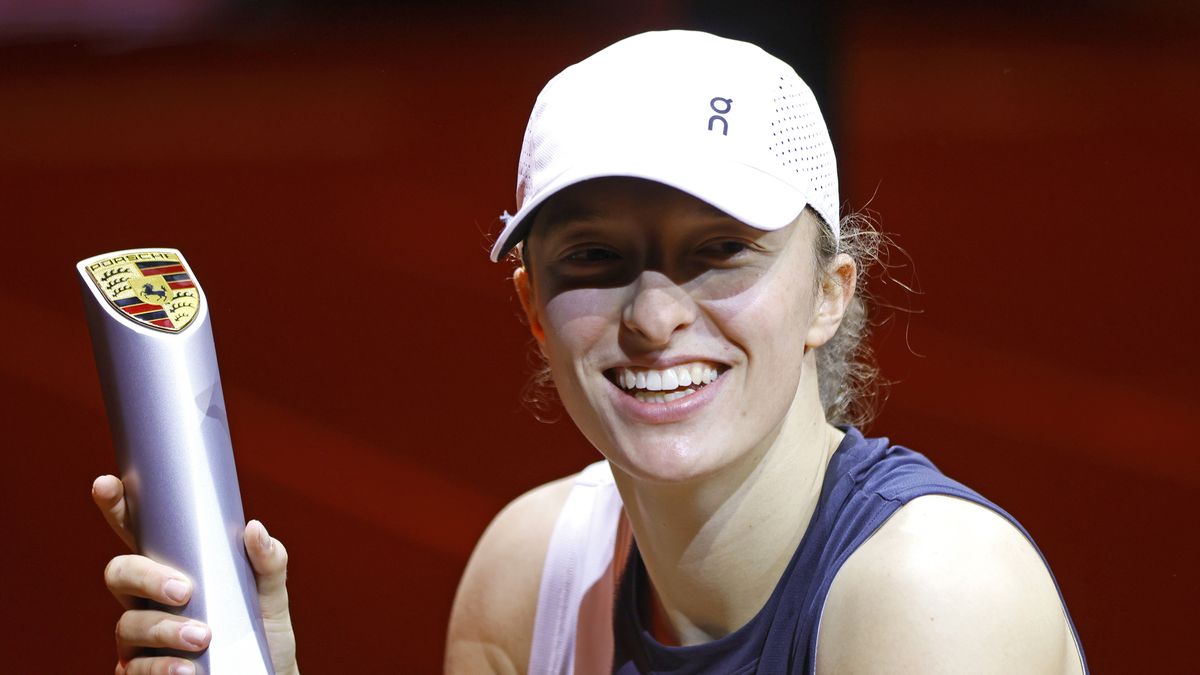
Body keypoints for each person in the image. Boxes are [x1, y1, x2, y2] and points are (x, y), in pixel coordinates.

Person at [94, 30, 1087, 675]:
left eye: (717, 253)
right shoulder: (529, 579)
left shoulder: (936, 601)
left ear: (829, 294)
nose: (654, 317)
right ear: (532, 307)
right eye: (597, 258)